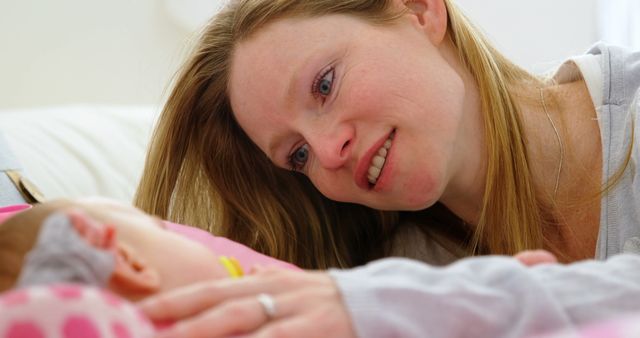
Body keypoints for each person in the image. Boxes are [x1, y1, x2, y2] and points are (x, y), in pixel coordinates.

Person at [133, 0, 640, 337]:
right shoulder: (398, 272)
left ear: (419, 11)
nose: (329, 153)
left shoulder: (392, 302)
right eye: (298, 156)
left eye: (325, 85)